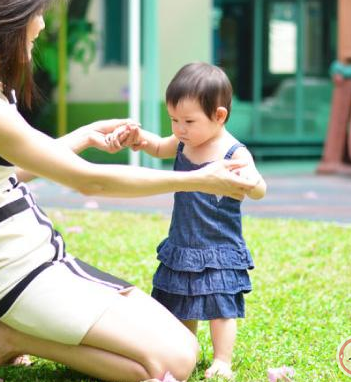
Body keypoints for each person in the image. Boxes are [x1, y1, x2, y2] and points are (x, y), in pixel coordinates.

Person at [0, 1, 258, 381]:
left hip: (41, 260)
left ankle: (15, 331)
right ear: (2, 20)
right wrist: (199, 178)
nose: (41, 25)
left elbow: (8, 174)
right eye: (36, 14)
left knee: (185, 348)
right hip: (16, 277)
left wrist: (84, 136)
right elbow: (89, 181)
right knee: (175, 362)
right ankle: (10, 336)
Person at [112, 62, 267, 379]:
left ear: (219, 116)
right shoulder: (184, 142)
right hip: (183, 242)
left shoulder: (234, 153)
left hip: (218, 246)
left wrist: (251, 180)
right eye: (174, 120)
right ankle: (187, 350)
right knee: (183, 300)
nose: (179, 128)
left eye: (188, 121)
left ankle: (222, 360)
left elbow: (260, 189)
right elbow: (157, 147)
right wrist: (140, 138)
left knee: (220, 306)